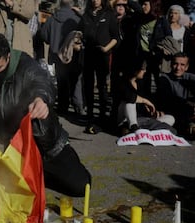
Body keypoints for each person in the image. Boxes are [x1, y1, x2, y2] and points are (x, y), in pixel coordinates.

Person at [0, 33, 91, 197]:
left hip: (44, 142)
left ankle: (41, 173)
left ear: (8, 56)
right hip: (12, 145)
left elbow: (42, 83)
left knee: (80, 186)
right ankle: (29, 174)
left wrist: (41, 99)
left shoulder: (26, 66)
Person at [78, 0, 118, 132]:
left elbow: (115, 37)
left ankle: (102, 115)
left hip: (102, 55)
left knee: (102, 85)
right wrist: (76, 43)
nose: (95, 0)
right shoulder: (86, 15)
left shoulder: (109, 14)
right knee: (88, 85)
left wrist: (106, 49)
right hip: (88, 54)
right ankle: (89, 114)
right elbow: (79, 33)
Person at [40, 0, 85, 115]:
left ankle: (62, 106)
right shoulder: (77, 18)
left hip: (57, 55)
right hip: (74, 53)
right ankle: (78, 105)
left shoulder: (52, 19)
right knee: (76, 80)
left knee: (62, 81)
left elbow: (44, 36)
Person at [117, 59, 175, 135]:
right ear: (136, 69)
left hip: (140, 119)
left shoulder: (140, 83)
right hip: (124, 119)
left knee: (170, 118)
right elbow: (129, 97)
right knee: (130, 101)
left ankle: (142, 130)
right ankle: (133, 127)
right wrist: (145, 101)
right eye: (143, 69)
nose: (145, 71)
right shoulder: (122, 81)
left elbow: (144, 104)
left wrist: (154, 112)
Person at [156, 52, 195, 138]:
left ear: (187, 67)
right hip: (172, 113)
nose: (178, 68)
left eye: (182, 65)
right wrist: (189, 103)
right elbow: (169, 100)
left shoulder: (191, 78)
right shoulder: (164, 78)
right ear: (171, 64)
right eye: (175, 64)